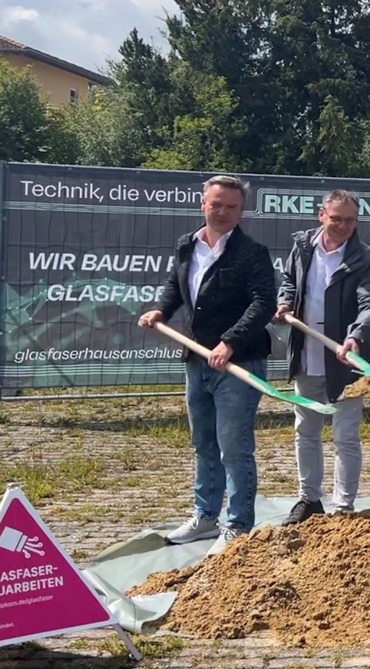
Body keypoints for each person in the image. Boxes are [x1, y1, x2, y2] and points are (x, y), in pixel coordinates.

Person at [138, 174, 275, 554]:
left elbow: (262, 303)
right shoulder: (187, 245)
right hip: (197, 359)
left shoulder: (252, 253)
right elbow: (175, 285)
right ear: (204, 204)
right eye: (217, 204)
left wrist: (229, 342)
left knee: (234, 446)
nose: (223, 212)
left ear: (242, 211)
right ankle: (205, 517)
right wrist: (161, 309)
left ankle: (238, 524)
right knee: (204, 443)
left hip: (238, 364)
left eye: (232, 206)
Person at [274, 189, 370, 525]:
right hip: (307, 354)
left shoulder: (367, 259)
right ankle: (309, 499)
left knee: (345, 435)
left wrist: (355, 337)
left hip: (348, 362)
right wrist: (284, 302)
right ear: (322, 215)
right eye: (336, 219)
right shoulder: (303, 246)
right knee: (305, 430)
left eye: (349, 220)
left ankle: (343, 507)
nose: (342, 226)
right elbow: (290, 282)